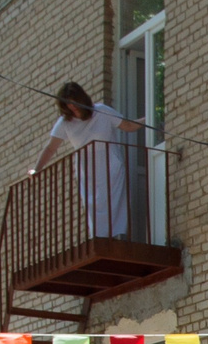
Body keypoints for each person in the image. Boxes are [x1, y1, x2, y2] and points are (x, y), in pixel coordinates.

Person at [28, 82, 147, 237]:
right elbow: (50, 147)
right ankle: (99, 239)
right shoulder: (65, 123)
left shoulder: (102, 111)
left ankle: (118, 237)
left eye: (74, 102)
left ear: (82, 99)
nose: (72, 107)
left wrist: (150, 117)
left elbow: (129, 126)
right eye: (68, 104)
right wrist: (37, 169)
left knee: (114, 202)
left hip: (110, 165)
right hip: (88, 170)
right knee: (94, 204)